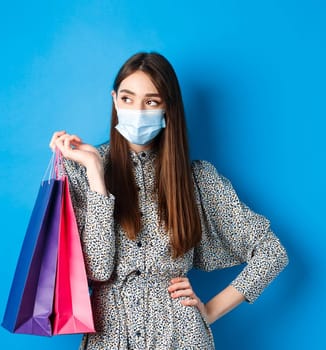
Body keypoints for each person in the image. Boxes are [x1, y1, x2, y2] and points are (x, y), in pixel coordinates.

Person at [49, 52, 289, 349]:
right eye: (127, 98)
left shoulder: (197, 180)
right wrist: (97, 176)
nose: (137, 110)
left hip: (181, 337)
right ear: (114, 100)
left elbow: (271, 252)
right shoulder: (82, 168)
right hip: (109, 338)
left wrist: (211, 311)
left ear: (167, 108)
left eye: (151, 101)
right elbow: (97, 270)